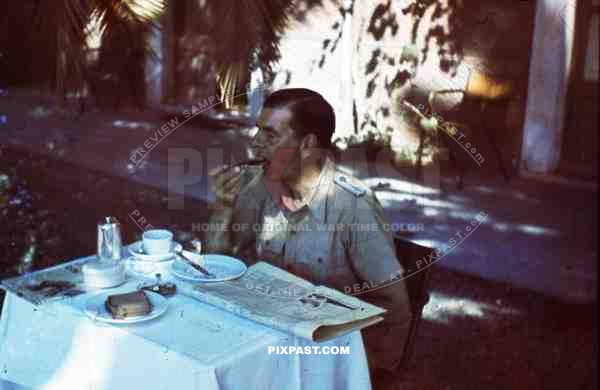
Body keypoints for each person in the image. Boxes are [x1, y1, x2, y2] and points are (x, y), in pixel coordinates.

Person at [206, 88, 412, 378]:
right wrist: (223, 206)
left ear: (307, 143)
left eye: (270, 135)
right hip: (271, 334)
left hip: (325, 354)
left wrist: (358, 372)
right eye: (257, 132)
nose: (255, 144)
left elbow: (394, 306)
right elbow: (217, 268)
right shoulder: (260, 184)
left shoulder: (353, 206)